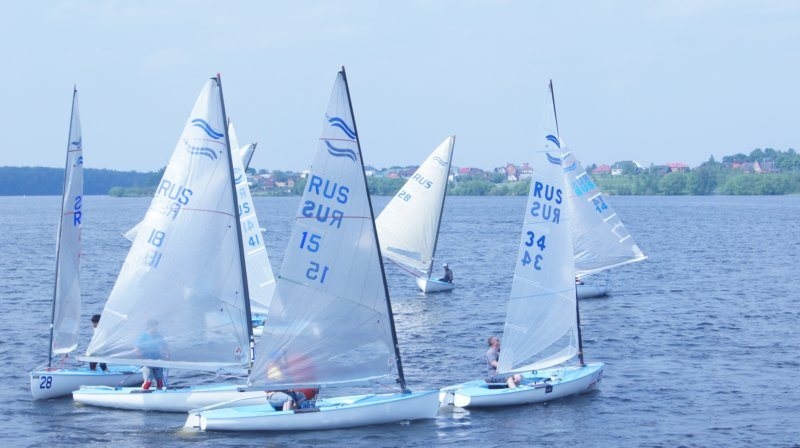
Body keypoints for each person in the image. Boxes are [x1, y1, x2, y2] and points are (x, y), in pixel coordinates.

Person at [134, 319, 170, 390]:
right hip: (147, 362)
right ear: (149, 327)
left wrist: (167, 354)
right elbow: (136, 349)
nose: (156, 328)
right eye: (154, 326)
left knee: (159, 380)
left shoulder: (159, 336)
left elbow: (164, 346)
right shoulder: (143, 337)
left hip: (158, 361)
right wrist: (141, 357)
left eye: (156, 326)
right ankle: (143, 393)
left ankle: (160, 393)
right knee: (148, 381)